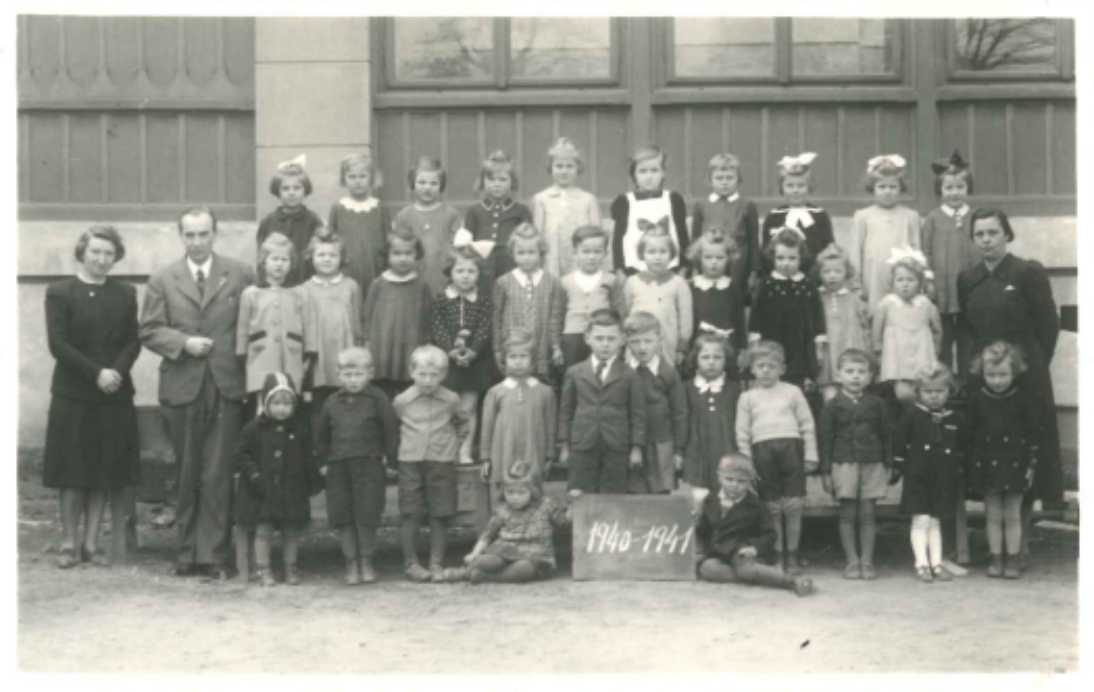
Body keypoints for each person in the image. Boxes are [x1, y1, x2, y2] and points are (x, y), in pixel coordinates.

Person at [140, 206, 255, 579]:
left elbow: (254, 324)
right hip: (183, 384)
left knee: (218, 471)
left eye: (203, 234)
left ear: (214, 234)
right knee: (187, 470)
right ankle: (187, 551)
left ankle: (215, 554)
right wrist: (183, 343)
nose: (197, 241)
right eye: (189, 235)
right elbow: (149, 329)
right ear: (181, 236)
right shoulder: (163, 279)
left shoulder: (240, 274)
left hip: (226, 384)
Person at [43, 224, 141, 568]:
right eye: (95, 252)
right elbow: (58, 344)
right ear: (82, 252)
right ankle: (69, 542)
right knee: (72, 470)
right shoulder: (60, 292)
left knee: (104, 468)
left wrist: (116, 372)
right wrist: (96, 373)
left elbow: (133, 340)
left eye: (108, 253)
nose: (101, 259)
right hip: (74, 393)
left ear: (116, 257)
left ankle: (91, 543)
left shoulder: (125, 293)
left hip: (113, 393)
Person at [958, 207, 1062, 527]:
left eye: (993, 232)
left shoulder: (1027, 273)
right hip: (986, 378)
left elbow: (1048, 325)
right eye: (979, 234)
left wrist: (1032, 365)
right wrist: (978, 369)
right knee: (991, 453)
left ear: (1007, 234)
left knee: (1025, 450)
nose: (986, 240)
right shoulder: (968, 279)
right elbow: (968, 330)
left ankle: (1022, 538)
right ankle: (996, 537)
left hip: (1026, 377)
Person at [315, 346, 399, 585]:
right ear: (339, 374)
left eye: (358, 374)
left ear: (370, 373)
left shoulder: (378, 399)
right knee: (343, 515)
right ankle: (351, 562)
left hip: (369, 466)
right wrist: (323, 461)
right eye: (348, 375)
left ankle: (366, 561)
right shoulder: (331, 402)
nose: (353, 380)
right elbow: (321, 435)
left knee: (367, 513)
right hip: (339, 467)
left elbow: (390, 431)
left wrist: (391, 460)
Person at [735, 340, 818, 575]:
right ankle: (778, 554)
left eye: (771, 366)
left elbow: (807, 425)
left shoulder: (793, 392)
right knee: (771, 506)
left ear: (782, 369)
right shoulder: (747, 397)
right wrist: (746, 460)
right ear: (752, 369)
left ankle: (792, 554)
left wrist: (810, 455)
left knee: (793, 505)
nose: (766, 370)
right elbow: (742, 432)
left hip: (791, 449)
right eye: (760, 366)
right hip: (763, 452)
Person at [393, 345, 472, 583]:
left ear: (443, 374)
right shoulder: (402, 401)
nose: (428, 380)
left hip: (441, 461)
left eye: (434, 375)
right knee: (411, 512)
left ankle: (436, 563)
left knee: (440, 512)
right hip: (410, 461)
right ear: (412, 372)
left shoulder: (451, 399)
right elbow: (395, 426)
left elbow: (463, 423)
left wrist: (452, 445)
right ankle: (411, 564)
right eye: (422, 374)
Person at [233, 372, 320, 586]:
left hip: (291, 490)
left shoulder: (299, 429)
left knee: (291, 531)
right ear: (266, 402)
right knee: (263, 530)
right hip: (263, 491)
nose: (282, 409)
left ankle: (291, 568)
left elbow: (308, 457)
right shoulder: (254, 428)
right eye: (277, 403)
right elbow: (241, 455)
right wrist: (254, 474)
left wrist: (311, 481)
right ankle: (263, 569)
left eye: (287, 404)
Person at [966, 341, 1042, 579]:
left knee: (1012, 515)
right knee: (993, 516)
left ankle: (1013, 558)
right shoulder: (977, 399)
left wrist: (1031, 465)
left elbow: (1033, 435)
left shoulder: (1023, 399)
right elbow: (971, 435)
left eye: (1003, 375)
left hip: (1016, 465)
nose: (997, 380)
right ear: (982, 373)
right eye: (991, 375)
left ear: (1014, 372)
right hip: (988, 465)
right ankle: (995, 557)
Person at [693, 454, 815, 596]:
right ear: (719, 477)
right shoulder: (710, 501)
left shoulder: (755, 506)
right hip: (720, 553)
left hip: (742, 551)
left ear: (749, 482)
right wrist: (697, 517)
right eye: (729, 479)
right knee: (708, 569)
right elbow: (704, 530)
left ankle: (791, 580)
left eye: (741, 481)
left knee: (746, 570)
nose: (734, 485)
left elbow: (770, 534)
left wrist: (754, 547)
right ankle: (759, 576)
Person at [819, 348, 892, 580]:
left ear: (870, 377)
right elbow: (826, 439)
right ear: (839, 375)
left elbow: (886, 435)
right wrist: (826, 471)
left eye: (861, 372)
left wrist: (889, 463)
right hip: (843, 463)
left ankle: (867, 561)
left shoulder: (877, 404)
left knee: (868, 513)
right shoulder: (832, 406)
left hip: (872, 462)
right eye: (850, 371)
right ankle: (852, 560)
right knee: (847, 513)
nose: (855, 376)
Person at [891, 363, 966, 583]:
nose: (934, 396)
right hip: (918, 477)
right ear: (918, 392)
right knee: (921, 520)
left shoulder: (954, 418)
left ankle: (937, 563)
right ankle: (921, 563)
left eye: (940, 391)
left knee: (935, 521)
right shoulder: (912, 415)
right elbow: (899, 443)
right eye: (928, 391)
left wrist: (958, 469)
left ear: (949, 391)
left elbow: (961, 448)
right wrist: (898, 466)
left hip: (942, 478)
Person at [558, 309, 647, 494]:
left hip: (616, 445)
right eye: (599, 338)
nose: (605, 344)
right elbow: (566, 412)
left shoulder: (630, 375)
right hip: (583, 444)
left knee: (613, 496)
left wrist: (636, 447)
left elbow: (638, 414)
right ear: (587, 338)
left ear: (622, 340)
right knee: (579, 494)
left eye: (611, 339)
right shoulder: (575, 372)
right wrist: (565, 445)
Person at [459, 461, 576, 584]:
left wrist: (572, 506)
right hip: (505, 551)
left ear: (533, 491)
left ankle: (487, 577)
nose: (515, 497)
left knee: (523, 568)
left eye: (521, 492)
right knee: (483, 561)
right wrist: (474, 553)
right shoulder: (503, 509)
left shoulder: (546, 505)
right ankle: (466, 572)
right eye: (510, 492)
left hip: (536, 556)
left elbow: (564, 522)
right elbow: (487, 535)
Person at [430, 245, 494, 465]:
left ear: (478, 274)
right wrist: (452, 351)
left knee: (468, 409)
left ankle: (465, 451)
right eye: (460, 271)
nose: (465, 276)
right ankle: (448, 450)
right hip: (448, 363)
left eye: (471, 271)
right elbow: (437, 327)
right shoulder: (441, 299)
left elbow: (485, 328)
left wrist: (472, 351)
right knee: (447, 408)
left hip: (474, 363)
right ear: (450, 272)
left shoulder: (483, 300)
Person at [236, 232, 312, 411]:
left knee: (289, 402)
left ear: (291, 263)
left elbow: (309, 325)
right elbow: (242, 328)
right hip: (261, 356)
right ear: (264, 262)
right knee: (263, 404)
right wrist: (242, 354)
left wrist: (309, 352)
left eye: (285, 259)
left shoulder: (300, 293)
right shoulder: (251, 293)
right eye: (274, 259)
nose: (279, 264)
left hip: (291, 355)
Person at [479, 330, 557, 502]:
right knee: (502, 488)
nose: (518, 361)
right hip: (503, 450)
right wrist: (485, 457)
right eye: (513, 357)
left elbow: (550, 425)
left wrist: (550, 454)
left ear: (532, 359)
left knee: (532, 486)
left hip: (533, 449)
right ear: (505, 360)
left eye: (523, 356)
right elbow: (487, 426)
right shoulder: (495, 392)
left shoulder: (545, 391)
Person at [921, 150, 977, 380]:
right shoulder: (933, 218)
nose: (955, 192)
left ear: (968, 188)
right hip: (943, 287)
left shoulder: (975, 216)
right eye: (949, 188)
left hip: (969, 287)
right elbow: (925, 251)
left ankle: (966, 381)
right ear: (940, 190)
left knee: (968, 338)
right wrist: (928, 280)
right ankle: (944, 382)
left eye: (960, 187)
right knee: (943, 337)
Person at [748, 228, 826, 391]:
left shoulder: (807, 285)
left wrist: (819, 345)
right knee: (772, 379)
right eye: (780, 258)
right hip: (772, 341)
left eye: (792, 258)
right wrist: (755, 343)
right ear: (773, 257)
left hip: (800, 344)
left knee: (796, 384)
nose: (786, 263)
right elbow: (756, 316)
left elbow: (817, 315)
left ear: (801, 258)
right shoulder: (766, 284)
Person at [362, 229, 434, 401]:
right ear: (387, 255)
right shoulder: (378, 284)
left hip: (410, 345)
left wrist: (426, 343)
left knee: (408, 390)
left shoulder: (421, 286)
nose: (403, 258)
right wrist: (367, 341)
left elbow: (428, 317)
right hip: (383, 346)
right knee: (382, 390)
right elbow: (367, 315)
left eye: (408, 253)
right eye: (397, 253)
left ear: (416, 255)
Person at [298, 233, 363, 419]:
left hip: (344, 349)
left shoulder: (351, 286)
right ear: (311, 257)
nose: (327, 259)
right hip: (318, 354)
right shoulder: (304, 289)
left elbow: (357, 322)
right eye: (321, 255)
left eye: (332, 255)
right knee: (319, 405)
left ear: (341, 258)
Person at [491, 223, 565, 383]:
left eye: (531, 252)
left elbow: (556, 318)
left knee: (540, 387)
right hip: (513, 348)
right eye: (521, 253)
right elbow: (496, 318)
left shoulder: (552, 282)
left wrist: (556, 346)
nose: (526, 257)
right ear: (512, 254)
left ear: (541, 253)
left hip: (542, 348)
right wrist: (497, 349)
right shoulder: (503, 282)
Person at [624, 311, 687, 494]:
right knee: (634, 492)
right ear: (627, 342)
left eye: (648, 341)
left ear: (659, 340)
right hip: (632, 444)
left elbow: (680, 413)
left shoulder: (668, 373)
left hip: (662, 443)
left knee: (661, 491)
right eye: (635, 342)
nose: (642, 347)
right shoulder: (624, 373)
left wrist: (679, 450)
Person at [850, 154, 923, 309]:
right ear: (873, 188)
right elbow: (856, 251)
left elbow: (917, 250)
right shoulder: (863, 216)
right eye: (882, 187)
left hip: (903, 277)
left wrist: (919, 277)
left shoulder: (911, 216)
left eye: (893, 187)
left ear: (901, 188)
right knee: (875, 313)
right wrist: (856, 284)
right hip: (873, 276)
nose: (887, 191)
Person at [872, 248, 942, 402]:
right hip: (897, 354)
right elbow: (877, 329)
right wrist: (878, 350)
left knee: (921, 389)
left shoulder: (926, 304)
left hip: (921, 352)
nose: (905, 284)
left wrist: (936, 349)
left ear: (920, 283)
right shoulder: (887, 303)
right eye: (900, 280)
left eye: (910, 280)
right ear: (892, 282)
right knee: (902, 393)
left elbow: (937, 329)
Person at [611, 144, 689, 275]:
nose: (649, 176)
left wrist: (684, 268)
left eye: (654, 170)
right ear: (634, 175)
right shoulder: (624, 201)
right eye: (642, 171)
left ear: (663, 173)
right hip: (634, 270)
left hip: (670, 269)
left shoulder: (673, 199)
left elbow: (683, 236)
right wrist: (619, 271)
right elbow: (618, 241)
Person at [622, 225, 694, 367]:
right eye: (651, 252)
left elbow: (686, 318)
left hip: (667, 343)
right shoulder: (632, 282)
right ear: (642, 254)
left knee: (663, 374)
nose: (657, 257)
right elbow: (624, 314)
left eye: (663, 251)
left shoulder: (678, 283)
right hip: (637, 342)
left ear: (671, 254)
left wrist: (682, 347)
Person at [393, 155, 462, 296]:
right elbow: (398, 248)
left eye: (433, 183)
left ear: (441, 186)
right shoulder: (404, 216)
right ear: (413, 184)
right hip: (413, 279)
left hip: (444, 278)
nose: (427, 187)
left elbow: (458, 248)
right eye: (422, 182)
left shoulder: (451, 215)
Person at [463, 149, 533, 290]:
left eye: (502, 179)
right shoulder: (474, 211)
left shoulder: (521, 211)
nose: (497, 184)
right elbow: (466, 245)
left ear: (512, 182)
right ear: (482, 181)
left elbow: (528, 242)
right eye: (491, 179)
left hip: (511, 266)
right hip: (482, 268)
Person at [533, 136, 602, 277]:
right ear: (551, 168)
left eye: (569, 166)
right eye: (559, 166)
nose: (564, 171)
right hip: (552, 258)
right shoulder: (541, 199)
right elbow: (537, 236)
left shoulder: (588, 199)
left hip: (580, 259)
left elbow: (597, 235)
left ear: (578, 168)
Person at [690, 153, 759, 292]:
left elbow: (753, 241)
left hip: (738, 265)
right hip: (710, 261)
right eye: (719, 178)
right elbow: (696, 239)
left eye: (729, 178)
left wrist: (754, 270)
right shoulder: (701, 205)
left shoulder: (747, 205)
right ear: (710, 180)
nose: (724, 182)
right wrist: (695, 267)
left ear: (738, 179)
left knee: (735, 295)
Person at [559, 224, 625, 369]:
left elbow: (619, 312)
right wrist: (556, 344)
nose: (591, 256)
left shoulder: (611, 280)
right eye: (586, 251)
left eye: (597, 251)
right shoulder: (565, 282)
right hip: (573, 336)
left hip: (603, 335)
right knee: (574, 372)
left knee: (602, 370)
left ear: (605, 253)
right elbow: (558, 315)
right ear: (575, 252)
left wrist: (619, 337)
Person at [683, 333, 742, 494]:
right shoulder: (686, 388)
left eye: (717, 357)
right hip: (695, 451)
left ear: (726, 360)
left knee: (725, 490)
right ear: (695, 359)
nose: (711, 362)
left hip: (725, 448)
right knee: (697, 494)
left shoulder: (734, 389)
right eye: (705, 357)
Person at [326, 151, 388, 303]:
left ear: (371, 178)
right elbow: (330, 241)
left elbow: (388, 240)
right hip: (347, 271)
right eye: (352, 177)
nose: (357, 181)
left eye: (362, 176)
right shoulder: (338, 208)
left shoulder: (380, 208)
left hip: (374, 270)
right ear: (344, 179)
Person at [759, 152, 833, 277]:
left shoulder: (820, 215)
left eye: (801, 185)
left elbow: (828, 250)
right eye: (790, 186)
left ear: (809, 187)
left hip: (812, 277)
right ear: (782, 188)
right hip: (780, 276)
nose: (795, 190)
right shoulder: (773, 216)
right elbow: (767, 252)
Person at [256, 155, 324, 287]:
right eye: (285, 188)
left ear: (305, 190)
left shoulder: (313, 221)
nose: (291, 193)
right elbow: (261, 259)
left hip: (305, 284)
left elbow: (318, 255)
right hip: (275, 285)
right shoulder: (268, 222)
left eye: (297, 188)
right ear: (277, 191)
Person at [815, 244, 872, 401]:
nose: (832, 276)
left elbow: (865, 326)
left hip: (849, 347)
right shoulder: (816, 298)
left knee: (853, 393)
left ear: (846, 272)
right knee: (829, 395)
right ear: (819, 273)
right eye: (827, 272)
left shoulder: (854, 298)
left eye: (837, 271)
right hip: (827, 353)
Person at [687, 229, 748, 358]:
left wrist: (742, 348)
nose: (714, 262)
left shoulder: (732, 287)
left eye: (720, 258)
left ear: (728, 259)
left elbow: (739, 320)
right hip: (700, 348)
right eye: (708, 257)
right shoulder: (692, 287)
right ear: (699, 258)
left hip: (727, 346)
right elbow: (688, 322)